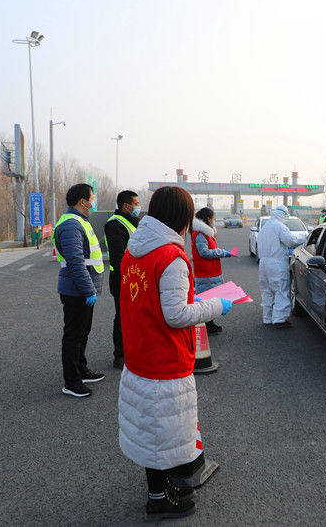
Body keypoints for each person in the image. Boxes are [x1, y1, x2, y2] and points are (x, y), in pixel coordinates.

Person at [118, 186, 232, 521]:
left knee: (152, 427)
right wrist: (216, 305)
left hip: (139, 351)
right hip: (164, 358)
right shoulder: (170, 257)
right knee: (162, 429)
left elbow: (152, 302)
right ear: (182, 218)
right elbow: (176, 314)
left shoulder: (135, 248)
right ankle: (159, 498)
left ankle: (167, 484)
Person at [52, 183, 105, 398]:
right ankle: (71, 381)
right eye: (92, 198)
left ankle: (81, 369)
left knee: (83, 332)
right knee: (74, 336)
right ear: (83, 202)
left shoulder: (80, 221)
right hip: (77, 291)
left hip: (82, 289)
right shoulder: (71, 225)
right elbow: (75, 261)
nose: (94, 202)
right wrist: (88, 290)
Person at [104, 190, 140, 369]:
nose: (138, 207)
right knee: (123, 317)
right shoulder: (114, 224)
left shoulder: (132, 222)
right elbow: (118, 257)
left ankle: (133, 350)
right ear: (126, 206)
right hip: (122, 278)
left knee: (136, 316)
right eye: (135, 204)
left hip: (136, 277)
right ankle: (120, 355)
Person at [257, 205, 305, 328]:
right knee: (280, 289)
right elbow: (290, 241)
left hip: (263, 263)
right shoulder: (280, 226)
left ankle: (267, 318)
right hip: (276, 263)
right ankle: (279, 319)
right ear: (282, 215)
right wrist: (304, 237)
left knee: (267, 291)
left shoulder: (265, 227)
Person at [191, 206, 234, 333]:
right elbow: (204, 252)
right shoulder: (200, 234)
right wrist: (222, 252)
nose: (213, 221)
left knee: (211, 298)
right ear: (208, 219)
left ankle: (209, 323)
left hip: (210, 271)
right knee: (207, 299)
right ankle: (207, 325)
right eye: (213, 218)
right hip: (206, 272)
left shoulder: (205, 233)